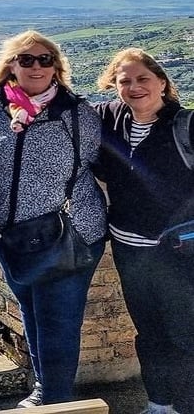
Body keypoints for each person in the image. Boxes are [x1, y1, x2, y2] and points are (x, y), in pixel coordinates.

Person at [0, 30, 106, 407]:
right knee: (30, 308)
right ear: (10, 65)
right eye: (26, 59)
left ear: (57, 68)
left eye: (45, 60)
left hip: (67, 232)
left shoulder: (76, 114)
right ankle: (44, 390)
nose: (36, 66)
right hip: (7, 235)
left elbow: (102, 161)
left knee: (58, 322)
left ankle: (54, 399)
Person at [94, 48, 194, 414]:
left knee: (185, 334)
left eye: (142, 79)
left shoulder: (185, 125)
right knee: (149, 332)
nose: (134, 87)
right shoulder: (109, 119)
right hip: (130, 251)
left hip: (179, 252)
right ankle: (158, 404)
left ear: (162, 84)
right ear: (114, 86)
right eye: (125, 81)